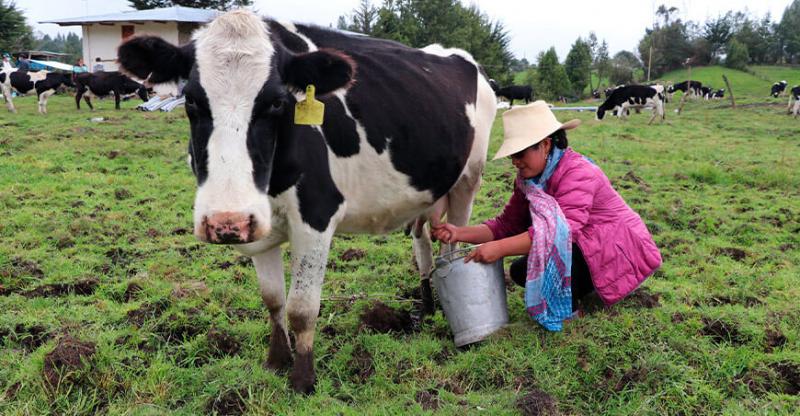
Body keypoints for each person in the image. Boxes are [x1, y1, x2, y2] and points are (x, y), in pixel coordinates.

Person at [432, 101, 662, 331]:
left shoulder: (578, 173)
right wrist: (458, 232)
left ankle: (574, 310)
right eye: (512, 155)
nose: (515, 162)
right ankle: (585, 292)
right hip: (587, 245)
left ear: (544, 145)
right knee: (521, 270)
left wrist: (498, 248)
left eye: (520, 153)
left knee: (538, 264)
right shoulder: (529, 180)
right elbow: (506, 224)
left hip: (617, 248)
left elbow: (562, 233)